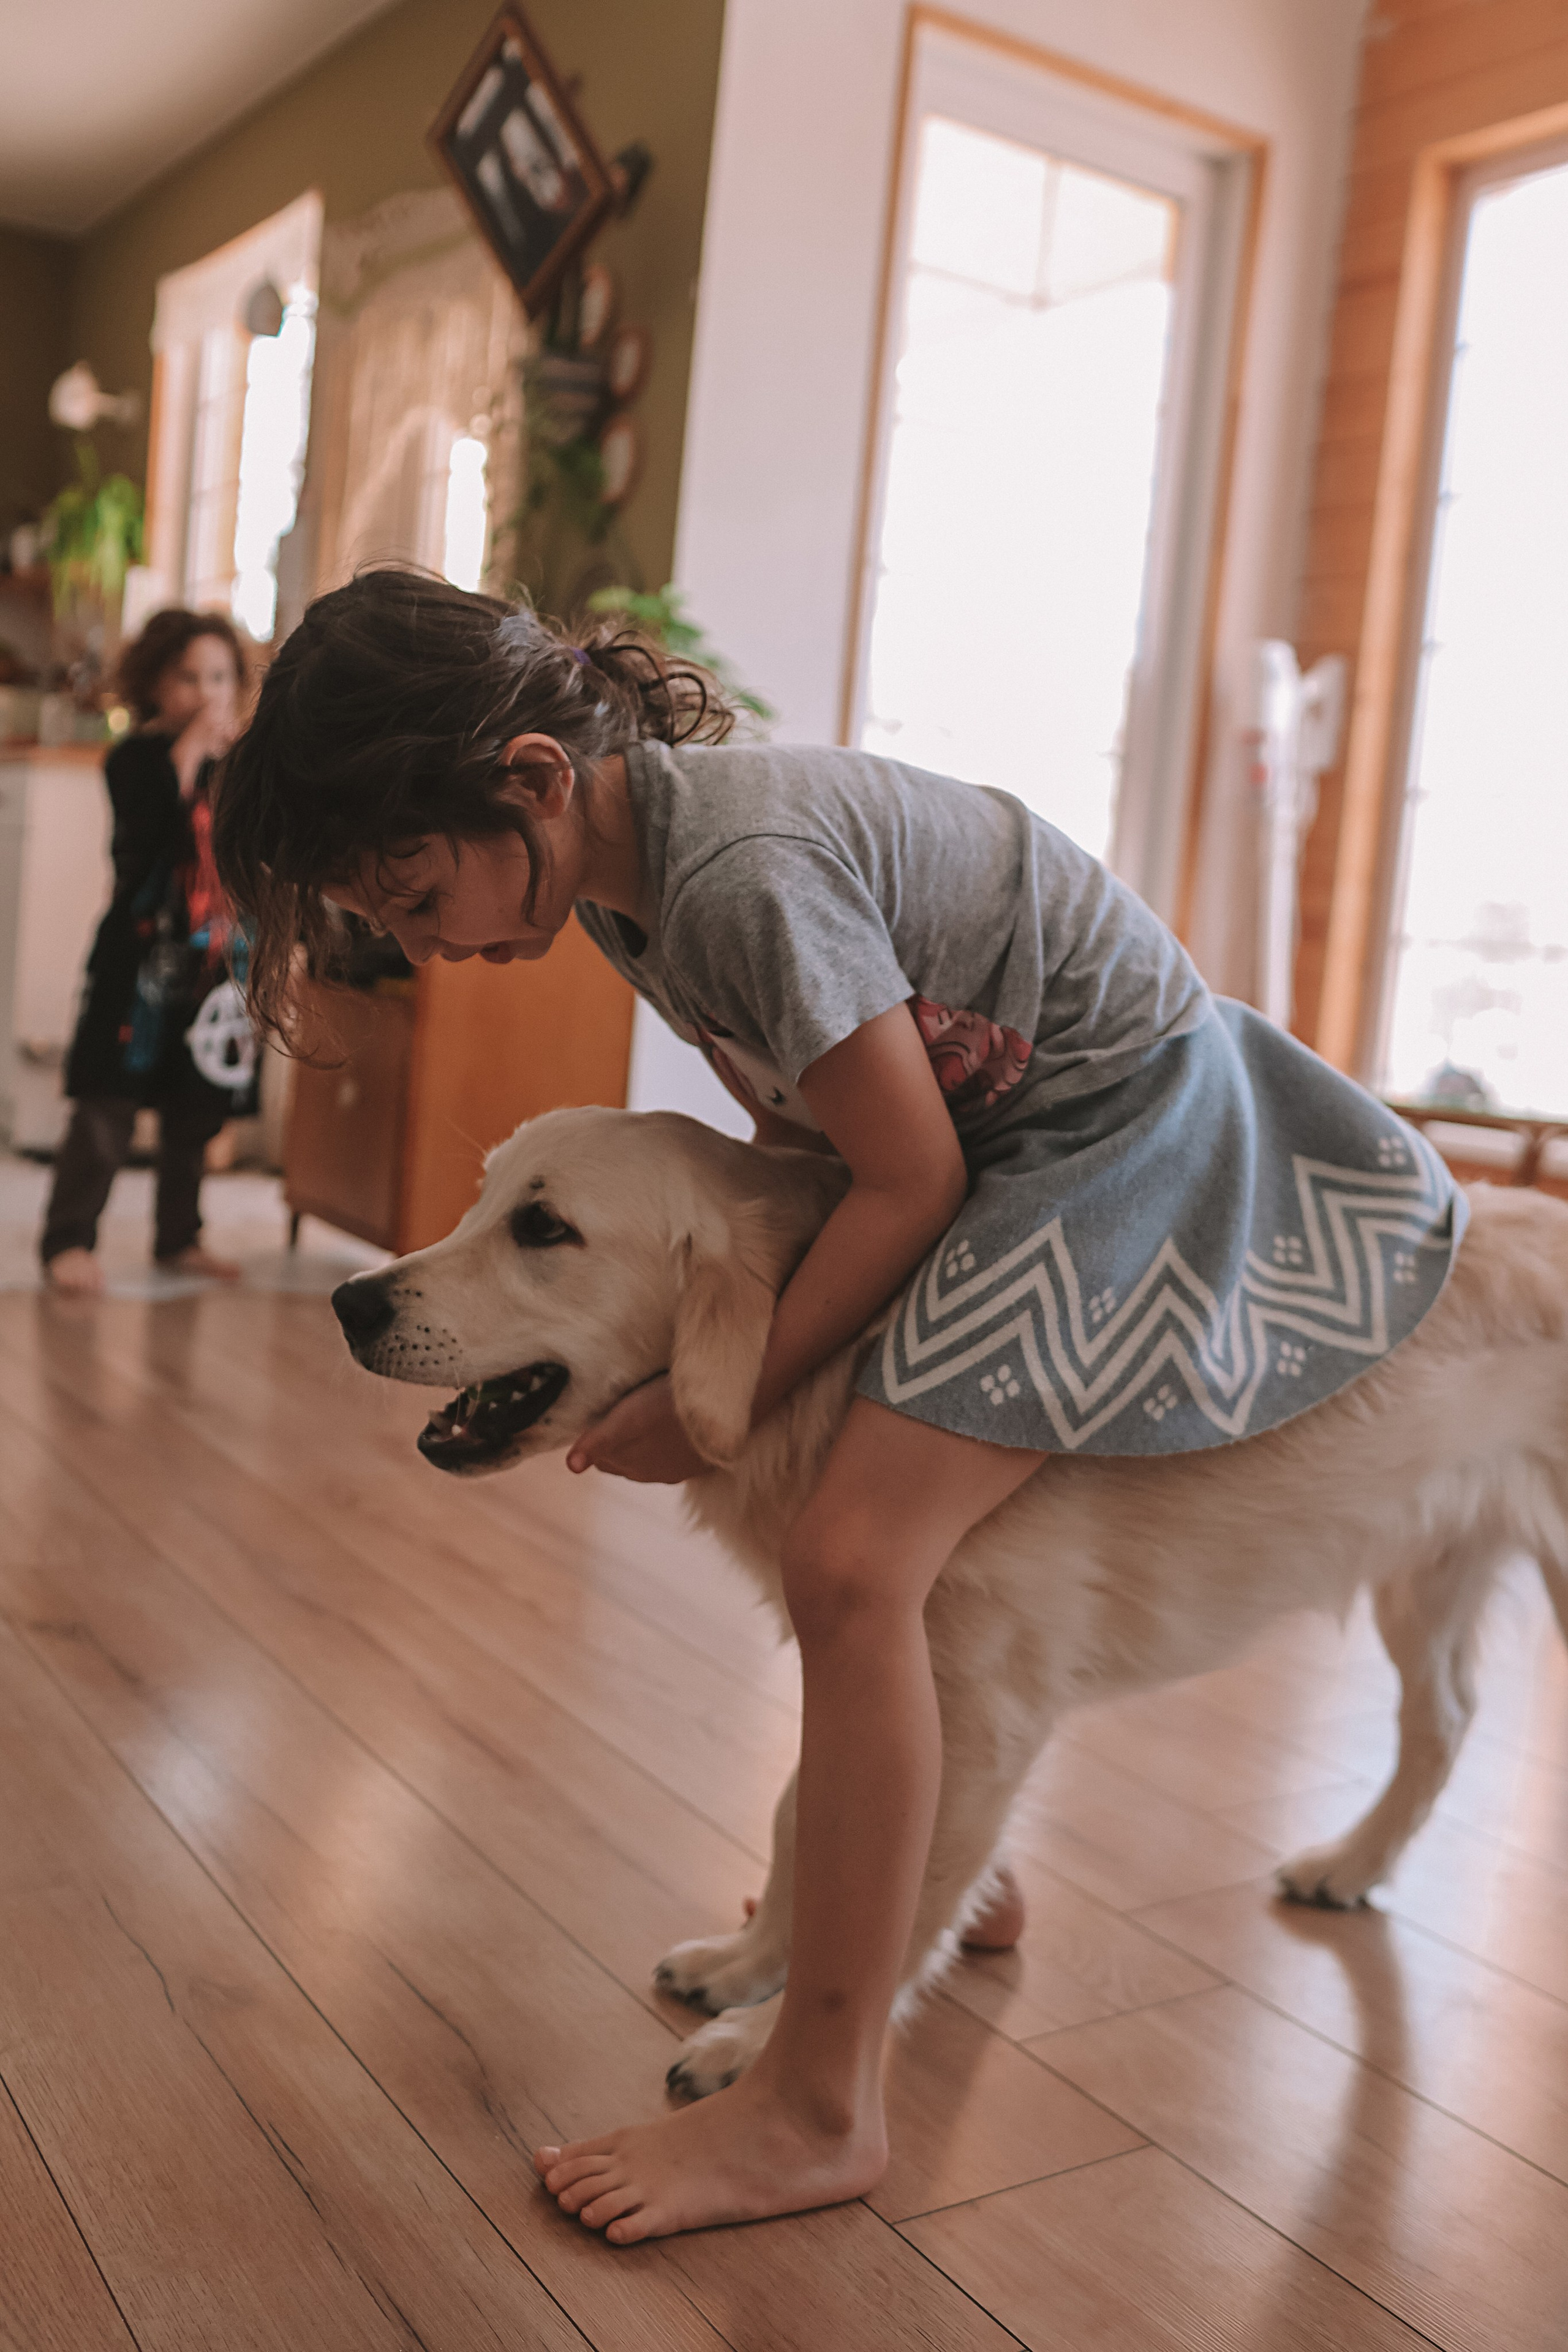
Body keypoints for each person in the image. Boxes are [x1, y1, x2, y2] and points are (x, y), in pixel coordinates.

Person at [212, 568, 1463, 2245]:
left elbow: (912, 1169)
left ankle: (817, 2104)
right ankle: (954, 1866)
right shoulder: (621, 882)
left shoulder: (735, 875)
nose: (431, 944)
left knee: (859, 1566)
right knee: (895, 1559)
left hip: (1116, 1135)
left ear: (525, 780)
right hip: (1022, 1145)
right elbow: (806, 1144)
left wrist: (707, 1396)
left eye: (418, 893)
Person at [40, 608, 251, 1293]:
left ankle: (179, 1236)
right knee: (107, 1102)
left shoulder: (235, 770)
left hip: (211, 961)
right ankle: (67, 1240)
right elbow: (151, 836)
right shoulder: (134, 760)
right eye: (188, 677)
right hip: (136, 961)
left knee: (196, 1105)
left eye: (219, 677)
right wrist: (188, 749)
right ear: (155, 683)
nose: (206, 692)